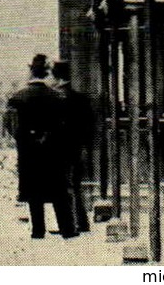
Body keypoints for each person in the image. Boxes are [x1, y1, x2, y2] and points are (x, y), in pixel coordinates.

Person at [4, 54, 77, 239]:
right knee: (58, 191)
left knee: (34, 191)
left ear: (31, 72)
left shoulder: (18, 97)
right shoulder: (57, 97)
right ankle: (67, 229)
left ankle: (38, 230)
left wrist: (25, 138)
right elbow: (65, 124)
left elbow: (9, 123)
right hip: (53, 151)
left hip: (29, 152)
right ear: (46, 73)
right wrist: (51, 138)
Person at [51, 60, 93, 234]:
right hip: (77, 147)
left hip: (58, 148)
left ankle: (69, 225)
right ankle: (82, 223)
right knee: (75, 185)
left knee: (62, 187)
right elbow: (89, 124)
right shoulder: (80, 98)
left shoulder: (53, 98)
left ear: (56, 76)